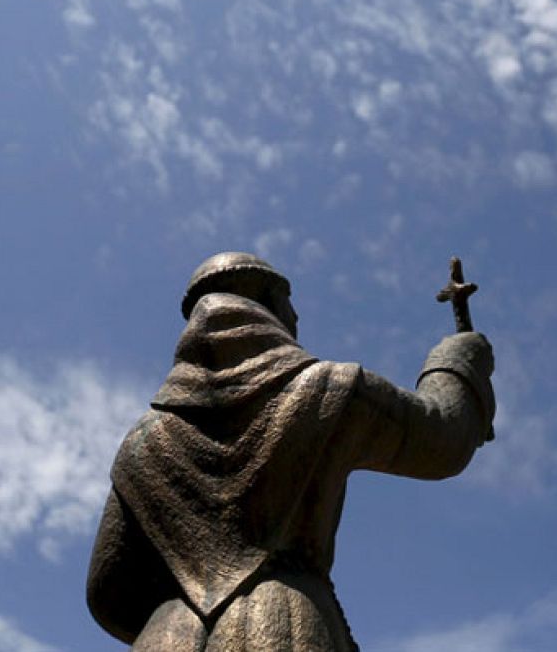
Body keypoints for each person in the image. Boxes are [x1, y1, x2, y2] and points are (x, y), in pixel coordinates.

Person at [87, 252, 495, 650]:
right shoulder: (326, 389)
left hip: (165, 636)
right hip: (282, 623)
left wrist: (188, 604)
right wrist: (459, 358)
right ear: (264, 302)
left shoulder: (144, 440)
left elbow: (108, 587)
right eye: (288, 301)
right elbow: (442, 439)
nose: (296, 317)